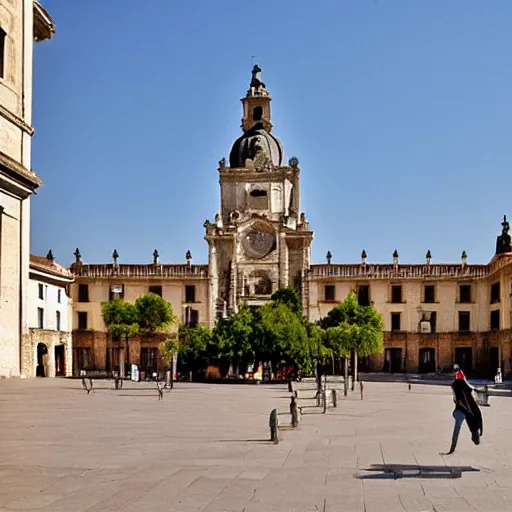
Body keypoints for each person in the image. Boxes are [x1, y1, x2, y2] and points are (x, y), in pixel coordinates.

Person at [441, 377, 483, 455]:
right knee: (463, 426)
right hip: (469, 413)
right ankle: (474, 435)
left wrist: (463, 407)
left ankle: (452, 448)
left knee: (457, 430)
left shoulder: (458, 390)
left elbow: (459, 402)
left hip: (461, 411)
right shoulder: (467, 392)